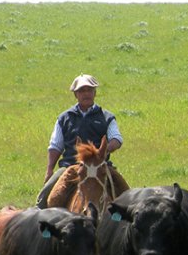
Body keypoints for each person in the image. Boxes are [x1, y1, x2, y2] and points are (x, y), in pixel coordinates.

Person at [35, 74, 125, 208]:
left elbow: (116, 138)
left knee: (127, 197)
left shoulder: (107, 117)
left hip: (101, 166)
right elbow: (55, 146)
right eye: (82, 91)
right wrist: (49, 170)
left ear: (95, 93)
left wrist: (104, 150)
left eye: (89, 90)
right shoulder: (64, 118)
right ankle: (40, 222)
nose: (86, 94)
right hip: (71, 166)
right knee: (45, 198)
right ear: (75, 95)